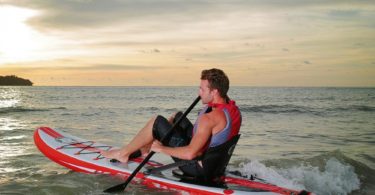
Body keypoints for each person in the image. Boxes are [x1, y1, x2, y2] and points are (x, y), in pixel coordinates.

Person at [101, 68, 241, 184]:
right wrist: (170, 125)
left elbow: (191, 153)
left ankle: (123, 154)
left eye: (202, 89)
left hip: (198, 169)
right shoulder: (231, 110)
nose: (199, 93)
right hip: (215, 167)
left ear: (214, 91)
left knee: (157, 122)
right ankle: (145, 146)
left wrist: (161, 148)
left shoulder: (209, 118)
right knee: (177, 116)